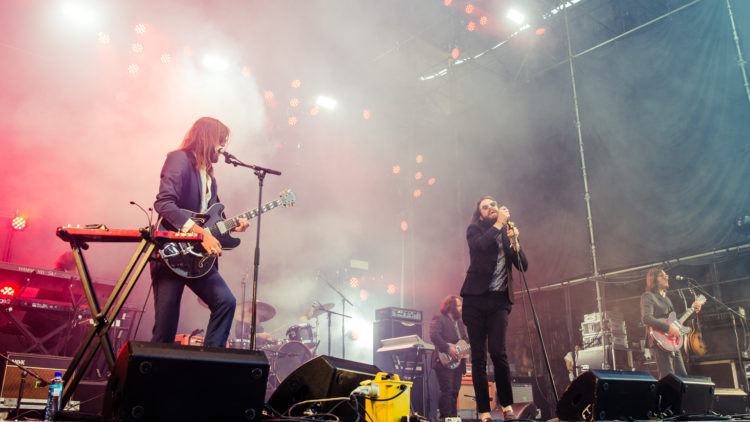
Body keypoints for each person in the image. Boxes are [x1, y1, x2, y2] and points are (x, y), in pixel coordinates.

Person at [150, 117, 249, 347]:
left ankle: (210, 366)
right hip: (171, 253)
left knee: (225, 302)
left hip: (198, 258)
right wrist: (200, 234)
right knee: (165, 330)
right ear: (207, 137)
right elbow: (164, 203)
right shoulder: (179, 158)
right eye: (221, 140)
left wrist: (234, 224)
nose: (223, 146)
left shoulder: (210, 180)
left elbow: (212, 220)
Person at [460, 196, 528, 422]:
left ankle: (507, 405)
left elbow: (523, 266)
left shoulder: (506, 234)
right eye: (485, 207)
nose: (491, 208)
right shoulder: (474, 230)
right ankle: (484, 412)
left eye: (494, 205)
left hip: (499, 302)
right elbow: (480, 246)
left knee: (498, 353)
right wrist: (499, 224)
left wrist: (515, 241)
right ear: (481, 214)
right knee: (478, 357)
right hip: (475, 302)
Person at [640, 267, 702, 378]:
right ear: (653, 279)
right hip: (659, 340)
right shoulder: (648, 296)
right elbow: (646, 318)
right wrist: (668, 328)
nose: (666, 277)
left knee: (682, 377)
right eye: (662, 276)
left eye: (666, 275)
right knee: (668, 377)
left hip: (672, 341)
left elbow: (676, 322)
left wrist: (692, 309)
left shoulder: (667, 300)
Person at [430, 295, 469, 420]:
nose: (461, 308)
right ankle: (445, 417)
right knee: (446, 389)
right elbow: (434, 335)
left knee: (455, 391)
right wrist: (447, 348)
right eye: (458, 305)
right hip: (444, 361)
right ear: (450, 307)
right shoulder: (440, 318)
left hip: (458, 362)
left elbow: (465, 340)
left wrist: (465, 346)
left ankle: (453, 417)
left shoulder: (460, 323)